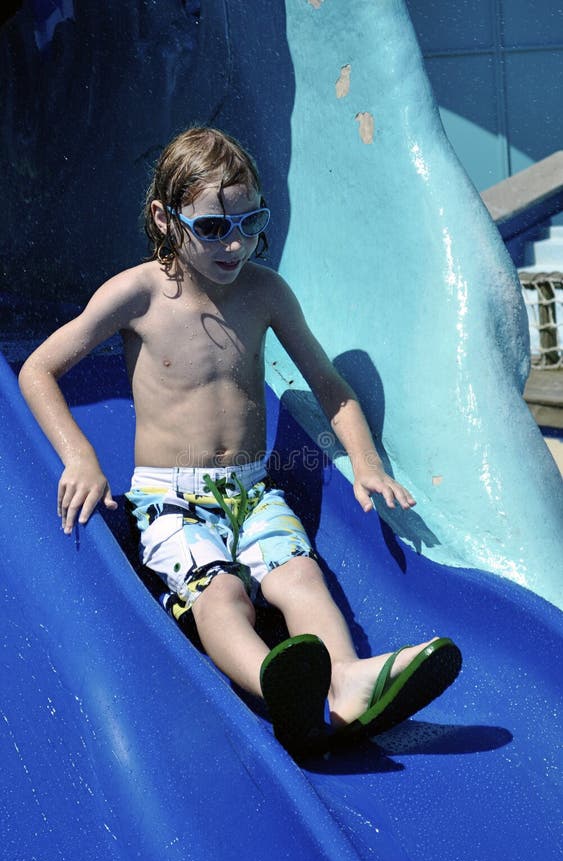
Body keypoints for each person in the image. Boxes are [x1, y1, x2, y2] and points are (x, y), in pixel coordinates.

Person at [18, 126, 461, 756]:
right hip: (171, 502)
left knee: (302, 579)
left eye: (251, 223)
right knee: (221, 594)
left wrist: (365, 463)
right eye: (213, 227)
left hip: (254, 492)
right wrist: (80, 455)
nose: (236, 243)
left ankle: (345, 681)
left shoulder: (264, 291)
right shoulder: (137, 294)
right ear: (164, 220)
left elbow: (329, 385)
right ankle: (274, 684)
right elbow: (38, 369)